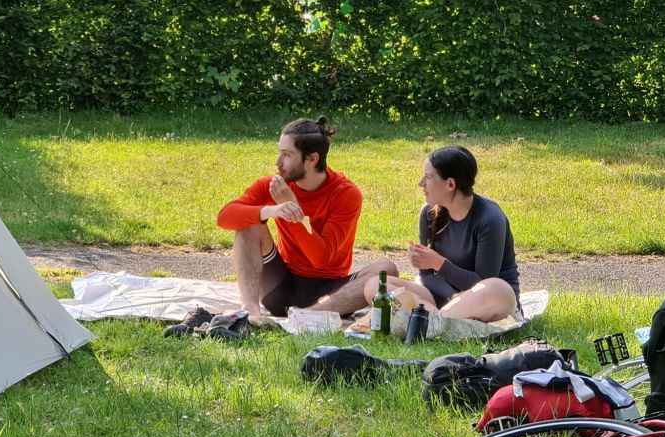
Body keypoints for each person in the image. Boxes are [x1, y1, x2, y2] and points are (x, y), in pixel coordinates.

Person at [217, 117, 397, 317]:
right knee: (249, 223)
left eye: (287, 155)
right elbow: (224, 218)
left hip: (330, 294)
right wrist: (269, 211)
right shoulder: (275, 185)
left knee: (386, 270)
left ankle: (309, 316)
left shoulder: (345, 193)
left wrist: (294, 212)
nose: (278, 162)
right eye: (280, 153)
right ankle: (250, 309)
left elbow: (320, 260)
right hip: (280, 288)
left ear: (312, 159)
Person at [364, 145, 519, 322]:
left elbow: (483, 281)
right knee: (374, 286)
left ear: (450, 184)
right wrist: (451, 297)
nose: (421, 183)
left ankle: (426, 319)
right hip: (443, 299)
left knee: (497, 288)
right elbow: (427, 276)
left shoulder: (490, 218)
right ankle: (437, 320)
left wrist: (439, 263)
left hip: (484, 301)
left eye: (428, 177)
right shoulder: (429, 213)